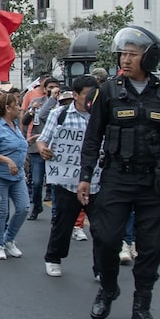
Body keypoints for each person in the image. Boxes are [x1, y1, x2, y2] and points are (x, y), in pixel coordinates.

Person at [79, 26, 160, 319]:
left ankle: (141, 308)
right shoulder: (109, 91)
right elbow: (93, 138)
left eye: (132, 54)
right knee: (105, 238)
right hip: (117, 177)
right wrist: (86, 177)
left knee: (153, 246)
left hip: (155, 184)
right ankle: (108, 288)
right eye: (123, 54)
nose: (126, 60)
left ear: (149, 57)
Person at [37, 75, 98, 277]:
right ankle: (53, 258)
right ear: (75, 95)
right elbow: (43, 140)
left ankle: (102, 267)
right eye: (86, 95)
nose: (90, 99)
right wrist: (44, 148)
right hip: (67, 181)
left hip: (96, 183)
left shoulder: (102, 115)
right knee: (63, 223)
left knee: (102, 229)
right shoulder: (59, 114)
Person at [0, 93, 29, 260]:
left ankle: (9, 239)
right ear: (8, 108)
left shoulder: (15, 125)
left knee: (23, 208)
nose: (20, 107)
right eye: (17, 104)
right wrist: (7, 160)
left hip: (17, 176)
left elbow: (19, 146)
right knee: (1, 211)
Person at [23, 77, 59, 221]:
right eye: (50, 87)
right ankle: (37, 206)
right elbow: (29, 120)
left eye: (56, 87)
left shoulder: (64, 102)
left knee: (55, 183)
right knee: (37, 182)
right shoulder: (37, 102)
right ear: (44, 89)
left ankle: (56, 212)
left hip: (55, 148)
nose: (53, 90)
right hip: (38, 148)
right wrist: (31, 111)